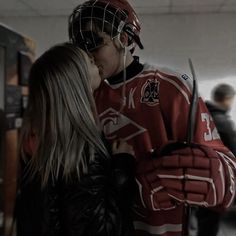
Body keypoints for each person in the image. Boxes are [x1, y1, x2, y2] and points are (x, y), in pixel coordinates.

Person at [68, 1, 236, 236]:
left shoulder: (172, 87)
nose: (87, 54)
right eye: (80, 45)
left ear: (124, 39)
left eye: (93, 42)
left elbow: (224, 169)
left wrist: (216, 173)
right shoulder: (86, 97)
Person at [16, 42, 136, 236]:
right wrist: (122, 167)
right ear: (77, 80)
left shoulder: (42, 143)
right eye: (88, 61)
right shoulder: (82, 151)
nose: (95, 60)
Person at [197, 83, 236, 236]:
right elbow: (232, 153)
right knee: (210, 222)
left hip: (201, 174)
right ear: (226, 99)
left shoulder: (202, 116)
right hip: (218, 178)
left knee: (204, 218)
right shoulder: (223, 122)